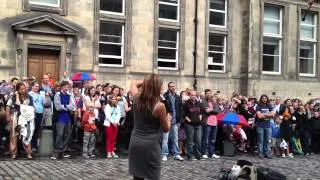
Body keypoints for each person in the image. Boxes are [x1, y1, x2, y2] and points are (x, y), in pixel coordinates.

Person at [129, 74, 171, 180]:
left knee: (137, 176)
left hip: (135, 142)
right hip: (151, 145)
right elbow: (166, 129)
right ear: (156, 87)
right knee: (153, 175)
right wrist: (169, 119)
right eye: (160, 85)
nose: (162, 87)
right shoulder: (159, 106)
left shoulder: (136, 97)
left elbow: (133, 82)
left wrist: (148, 83)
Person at [6, 83, 34, 159]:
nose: (23, 90)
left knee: (27, 135)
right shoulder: (13, 97)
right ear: (17, 90)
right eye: (21, 89)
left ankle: (28, 152)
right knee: (14, 135)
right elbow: (9, 106)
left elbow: (32, 107)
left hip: (26, 118)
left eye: (24, 88)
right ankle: (13, 152)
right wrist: (8, 117)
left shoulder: (29, 97)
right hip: (16, 117)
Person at [51, 81, 75, 159]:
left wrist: (64, 106)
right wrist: (67, 107)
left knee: (67, 134)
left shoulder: (70, 95)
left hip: (67, 117)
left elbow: (72, 106)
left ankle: (63, 151)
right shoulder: (57, 95)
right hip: (60, 117)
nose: (66, 88)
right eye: (65, 86)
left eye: (67, 86)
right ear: (62, 87)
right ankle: (57, 151)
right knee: (60, 134)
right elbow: (58, 107)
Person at [161, 82, 184, 161]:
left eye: (174, 86)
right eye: (171, 86)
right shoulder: (165, 96)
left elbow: (180, 110)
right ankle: (164, 154)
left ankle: (176, 154)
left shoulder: (178, 97)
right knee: (165, 139)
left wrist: (179, 121)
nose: (173, 88)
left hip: (175, 120)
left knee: (175, 138)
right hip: (167, 120)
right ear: (168, 88)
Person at [183, 90, 204, 160]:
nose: (194, 96)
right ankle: (190, 156)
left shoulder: (199, 103)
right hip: (189, 125)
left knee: (198, 141)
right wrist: (190, 121)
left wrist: (199, 119)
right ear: (189, 95)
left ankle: (198, 155)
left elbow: (201, 113)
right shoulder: (186, 104)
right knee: (190, 141)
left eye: (195, 95)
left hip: (198, 125)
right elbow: (184, 114)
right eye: (192, 95)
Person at [201, 89, 220, 159]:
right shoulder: (203, 102)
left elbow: (217, 111)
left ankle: (212, 153)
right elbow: (206, 111)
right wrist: (213, 110)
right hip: (207, 122)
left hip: (214, 123)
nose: (209, 94)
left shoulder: (214, 102)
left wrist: (211, 110)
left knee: (212, 139)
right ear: (205, 94)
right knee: (205, 138)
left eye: (210, 93)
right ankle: (204, 152)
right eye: (207, 93)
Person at [255, 94, 274, 158]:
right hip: (260, 125)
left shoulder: (269, 105)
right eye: (263, 98)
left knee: (267, 140)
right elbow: (259, 116)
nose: (264, 99)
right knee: (260, 140)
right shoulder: (258, 106)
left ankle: (267, 153)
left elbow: (273, 114)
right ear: (261, 99)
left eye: (265, 98)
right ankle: (260, 153)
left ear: (267, 99)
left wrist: (263, 114)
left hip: (268, 125)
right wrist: (268, 114)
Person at [28, 82, 45, 152]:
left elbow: (43, 103)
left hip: (40, 113)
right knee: (32, 129)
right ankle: (30, 146)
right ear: (32, 87)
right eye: (35, 86)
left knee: (37, 129)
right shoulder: (29, 94)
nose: (36, 88)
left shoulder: (41, 95)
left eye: (38, 86)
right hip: (32, 114)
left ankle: (35, 146)